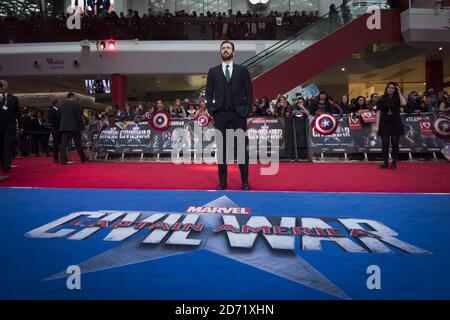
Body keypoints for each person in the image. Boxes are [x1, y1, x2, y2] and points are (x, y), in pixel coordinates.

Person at [205, 40, 252, 190]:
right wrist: (212, 109)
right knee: (222, 149)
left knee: (241, 149)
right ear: (220, 52)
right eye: (223, 48)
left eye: (228, 48)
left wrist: (246, 109)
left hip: (239, 114)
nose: (225, 50)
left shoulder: (242, 70)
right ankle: (222, 182)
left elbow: (249, 91)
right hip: (221, 114)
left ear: (233, 52)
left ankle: (245, 181)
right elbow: (208, 93)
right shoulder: (213, 71)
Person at [375, 82, 407, 169]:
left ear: (395, 89)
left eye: (393, 88)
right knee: (385, 143)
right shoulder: (381, 98)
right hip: (384, 122)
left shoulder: (398, 98)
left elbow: (404, 104)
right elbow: (378, 112)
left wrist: (400, 92)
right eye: (389, 87)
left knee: (395, 143)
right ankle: (385, 162)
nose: (390, 89)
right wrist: (377, 126)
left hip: (395, 122)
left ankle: (394, 162)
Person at [58, 92, 88, 165]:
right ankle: (83, 158)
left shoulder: (61, 105)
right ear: (72, 96)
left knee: (63, 144)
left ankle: (63, 160)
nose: (75, 98)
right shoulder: (76, 105)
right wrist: (82, 127)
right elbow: (79, 117)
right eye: (75, 97)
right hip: (74, 127)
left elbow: (59, 117)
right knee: (78, 144)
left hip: (64, 127)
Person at [0, 80, 21, 177]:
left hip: (10, 127)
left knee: (8, 146)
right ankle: (3, 163)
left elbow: (18, 114)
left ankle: (6, 164)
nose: (1, 87)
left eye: (3, 85)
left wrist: (21, 126)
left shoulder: (13, 99)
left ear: (7, 86)